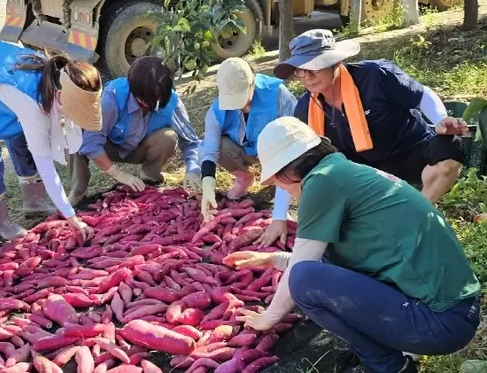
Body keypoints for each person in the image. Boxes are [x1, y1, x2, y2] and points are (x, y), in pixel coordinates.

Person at [227, 117, 480, 373]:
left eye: (276, 181)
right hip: (452, 310)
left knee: (303, 281)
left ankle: (389, 367)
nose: (281, 188)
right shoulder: (340, 172)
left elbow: (306, 271)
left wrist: (268, 318)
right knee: (312, 273)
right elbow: (327, 263)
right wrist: (275, 260)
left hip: (441, 321)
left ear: (286, 172)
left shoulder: (322, 182)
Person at [274, 29, 468, 203]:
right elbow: (292, 158)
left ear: (336, 62)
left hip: (411, 152)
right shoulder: (305, 108)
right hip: (367, 173)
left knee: (449, 147)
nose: (307, 76)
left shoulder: (376, 75)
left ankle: (422, 209)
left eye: (314, 67)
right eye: (300, 70)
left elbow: (421, 94)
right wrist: (279, 219)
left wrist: (440, 119)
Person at [0, 39, 101, 241]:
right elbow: (46, 166)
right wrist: (71, 217)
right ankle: (0, 221)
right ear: (59, 95)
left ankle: (34, 201)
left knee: (20, 135)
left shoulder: (58, 76)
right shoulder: (26, 97)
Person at [69, 56, 201, 203]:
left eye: (154, 99)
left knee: (168, 137)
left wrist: (193, 169)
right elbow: (91, 141)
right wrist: (117, 173)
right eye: (142, 98)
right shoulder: (113, 95)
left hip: (141, 148)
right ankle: (78, 192)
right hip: (110, 146)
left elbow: (191, 142)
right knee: (79, 134)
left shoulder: (171, 100)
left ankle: (150, 179)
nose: (147, 104)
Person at [199, 58, 297, 247]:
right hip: (243, 150)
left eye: (242, 98)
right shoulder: (216, 110)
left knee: (289, 155)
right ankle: (244, 178)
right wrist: (208, 188)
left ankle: (282, 183)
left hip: (278, 150)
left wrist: (279, 216)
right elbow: (209, 149)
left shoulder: (277, 94)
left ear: (252, 83)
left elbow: (294, 144)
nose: (240, 106)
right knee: (221, 144)